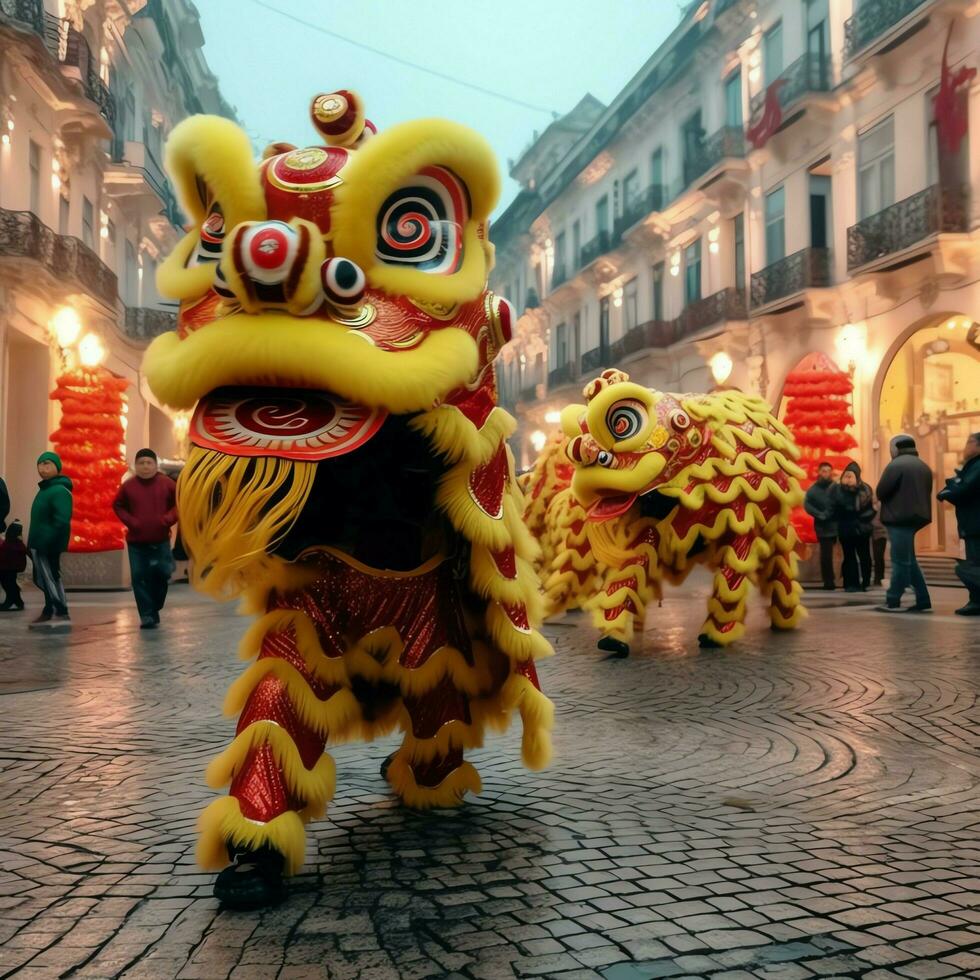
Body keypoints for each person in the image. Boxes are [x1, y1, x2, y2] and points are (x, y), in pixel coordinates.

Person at [113, 448, 178, 629]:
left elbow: (180, 503)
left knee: (162, 574)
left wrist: (168, 519)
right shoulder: (129, 486)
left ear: (155, 465)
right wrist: (131, 521)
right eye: (141, 463)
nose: (145, 466)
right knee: (139, 577)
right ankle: (147, 615)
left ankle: (154, 605)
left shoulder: (167, 483)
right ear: (136, 465)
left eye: (149, 463)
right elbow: (118, 505)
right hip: (136, 542)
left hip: (161, 540)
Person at [875, 434, 933, 613]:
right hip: (918, 518)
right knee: (910, 561)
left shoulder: (895, 465)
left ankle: (893, 600)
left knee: (900, 562)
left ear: (895, 448)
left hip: (899, 518)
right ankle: (923, 599)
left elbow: (881, 491)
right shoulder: (924, 466)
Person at [27, 451, 73, 628]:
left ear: (57, 467)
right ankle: (55, 610)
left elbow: (62, 519)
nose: (43, 468)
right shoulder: (45, 490)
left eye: (48, 464)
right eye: (40, 464)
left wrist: (47, 541)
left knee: (48, 576)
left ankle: (57, 609)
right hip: (39, 543)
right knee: (47, 576)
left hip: (47, 544)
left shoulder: (59, 491)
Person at [937, 432, 980, 616]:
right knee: (973, 563)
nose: (965, 446)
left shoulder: (977, 465)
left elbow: (964, 488)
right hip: (971, 524)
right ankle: (976, 601)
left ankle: (976, 601)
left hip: (976, 525)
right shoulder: (972, 465)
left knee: (972, 565)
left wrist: (947, 491)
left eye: (969, 441)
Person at [835, 463, 875, 592]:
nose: (847, 478)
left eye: (850, 475)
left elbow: (872, 509)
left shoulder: (865, 489)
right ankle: (851, 583)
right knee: (849, 556)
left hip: (862, 528)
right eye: (846, 475)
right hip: (845, 528)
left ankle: (866, 581)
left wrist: (861, 518)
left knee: (864, 556)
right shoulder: (838, 490)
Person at [804, 461, 838, 590]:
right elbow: (808, 505)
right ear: (819, 472)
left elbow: (840, 502)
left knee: (845, 553)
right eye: (824, 471)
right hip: (823, 526)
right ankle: (829, 581)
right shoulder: (813, 490)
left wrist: (831, 512)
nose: (826, 474)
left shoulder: (836, 488)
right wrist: (820, 514)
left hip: (838, 524)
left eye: (829, 471)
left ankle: (846, 579)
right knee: (826, 555)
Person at [0, 521, 27, 611]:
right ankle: (17, 601)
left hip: (8, 568)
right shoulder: (17, 542)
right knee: (10, 584)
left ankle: (11, 602)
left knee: (8, 584)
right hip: (9, 567)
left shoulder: (12, 543)